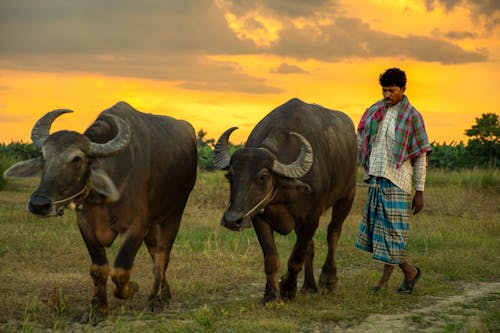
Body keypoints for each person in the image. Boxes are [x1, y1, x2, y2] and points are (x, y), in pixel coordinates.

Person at [355, 67, 431, 294]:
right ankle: (387, 281)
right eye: (384, 91)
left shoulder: (413, 116)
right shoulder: (373, 112)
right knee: (381, 234)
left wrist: (420, 191)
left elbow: (420, 156)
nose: (387, 95)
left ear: (403, 90)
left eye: (392, 91)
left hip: (398, 182)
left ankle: (409, 272)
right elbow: (361, 143)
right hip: (376, 180)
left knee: (393, 235)